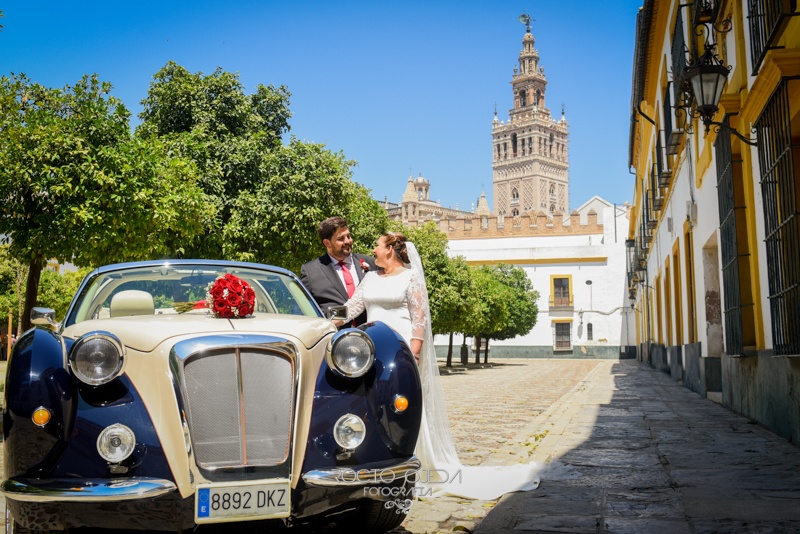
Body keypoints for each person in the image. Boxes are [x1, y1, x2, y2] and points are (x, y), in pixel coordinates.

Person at [335, 231, 541, 500]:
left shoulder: (410, 278)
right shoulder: (370, 278)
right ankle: (379, 461)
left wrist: (413, 353)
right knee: (374, 405)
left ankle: (415, 464)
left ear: (390, 250)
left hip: (401, 351)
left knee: (403, 406)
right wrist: (328, 322)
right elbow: (351, 308)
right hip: (372, 351)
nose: (372, 250)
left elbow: (418, 319)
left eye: (377, 245)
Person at [299, 216, 377, 326]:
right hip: (334, 337)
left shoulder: (372, 264)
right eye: (341, 239)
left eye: (348, 236)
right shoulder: (311, 271)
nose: (348, 241)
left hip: (370, 335)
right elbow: (303, 309)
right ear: (327, 243)